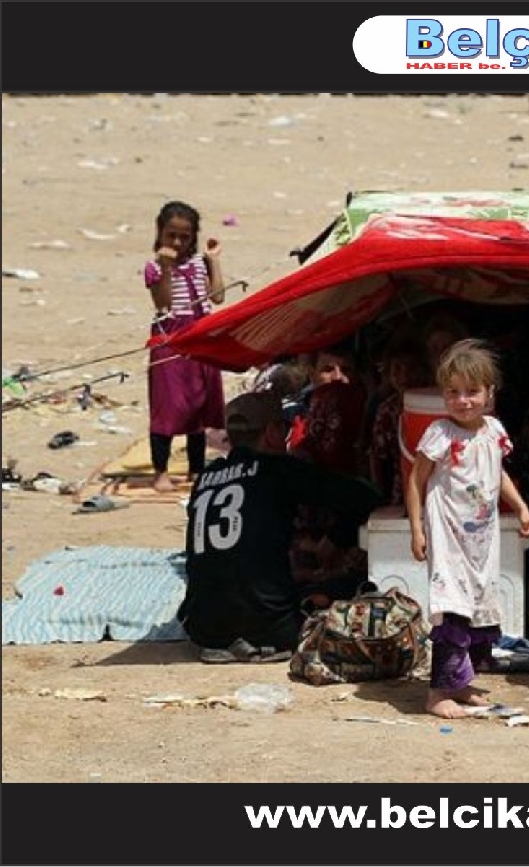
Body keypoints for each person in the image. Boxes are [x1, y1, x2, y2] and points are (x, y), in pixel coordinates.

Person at [178, 391, 381, 661]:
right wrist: (336, 538)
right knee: (349, 584)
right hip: (273, 628)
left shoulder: (206, 477)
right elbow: (365, 497)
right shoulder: (277, 469)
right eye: (285, 428)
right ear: (272, 433)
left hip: (204, 628)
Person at [405, 339, 529, 719]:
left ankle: (460, 683)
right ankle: (437, 693)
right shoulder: (440, 434)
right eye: (453, 393)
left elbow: (498, 472)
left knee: (477, 608)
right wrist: (417, 529)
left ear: (489, 392)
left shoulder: (493, 430)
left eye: (472, 392)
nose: (463, 401)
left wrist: (520, 506)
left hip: (481, 542)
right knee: (452, 610)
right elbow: (416, 480)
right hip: (448, 540)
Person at [144, 201, 227, 493]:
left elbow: (218, 297)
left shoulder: (199, 264)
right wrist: (166, 269)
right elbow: (163, 303)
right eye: (172, 236)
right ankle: (161, 471)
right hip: (171, 340)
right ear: (160, 233)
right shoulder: (154, 268)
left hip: (201, 336)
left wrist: (213, 261)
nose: (178, 243)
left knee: (199, 405)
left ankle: (196, 469)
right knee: (168, 405)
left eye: (184, 236)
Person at [370, 328, 433, 506]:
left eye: (412, 368)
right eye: (397, 369)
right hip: (401, 493)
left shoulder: (436, 404)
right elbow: (379, 458)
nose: (405, 376)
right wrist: (380, 496)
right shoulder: (387, 410)